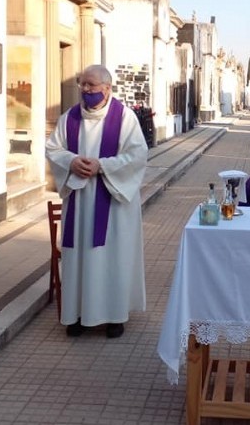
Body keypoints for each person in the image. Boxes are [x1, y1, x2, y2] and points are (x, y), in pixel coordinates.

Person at [45, 64, 148, 339]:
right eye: (83, 84)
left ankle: (114, 316)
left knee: (112, 257)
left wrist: (101, 166)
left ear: (107, 88)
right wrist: (72, 161)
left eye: (92, 85)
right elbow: (53, 148)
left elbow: (138, 155)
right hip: (79, 201)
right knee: (78, 256)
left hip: (113, 202)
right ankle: (76, 315)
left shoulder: (125, 118)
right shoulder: (69, 118)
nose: (86, 90)